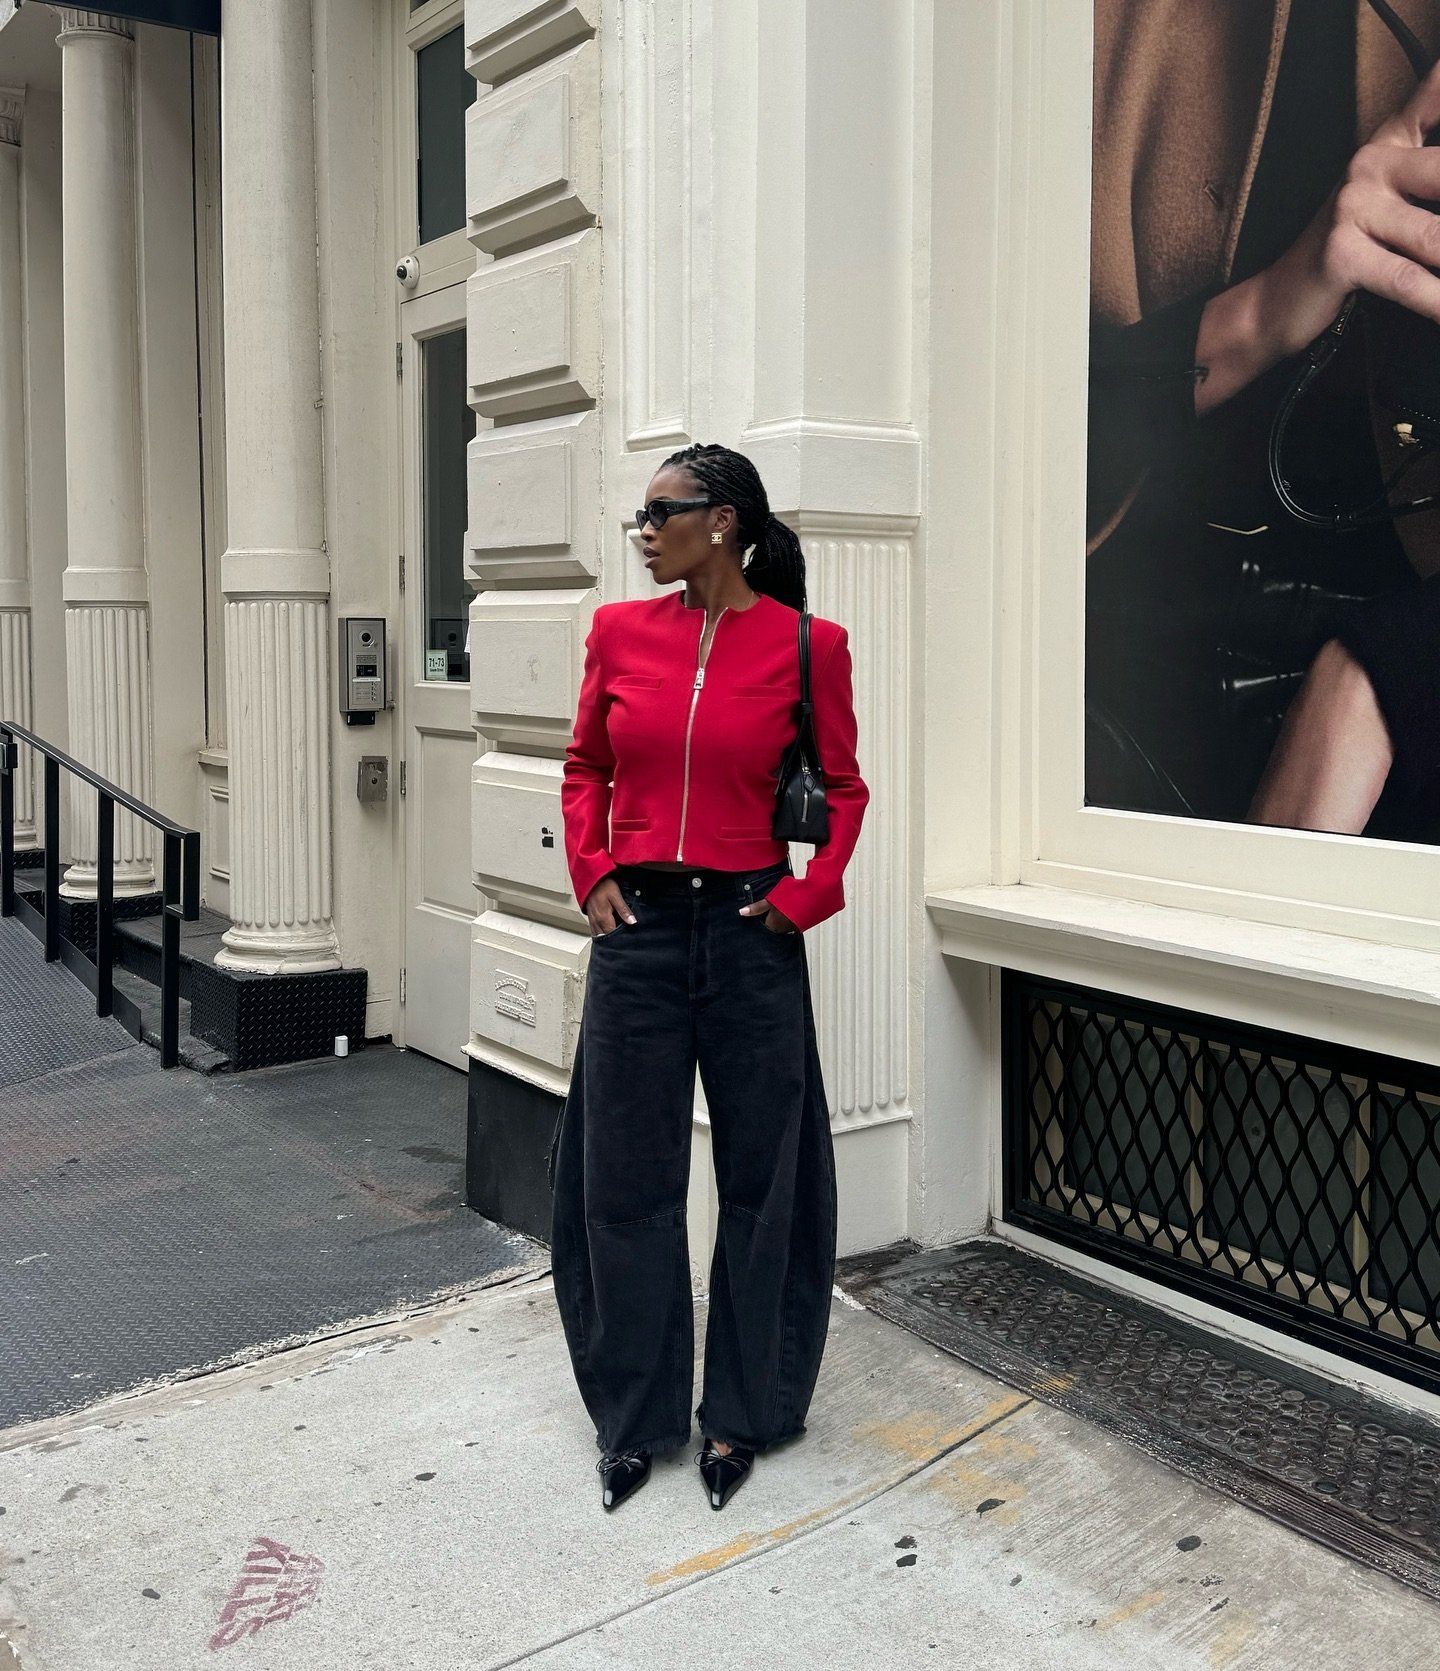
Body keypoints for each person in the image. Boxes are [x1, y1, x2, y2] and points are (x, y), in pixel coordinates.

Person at [550, 442, 870, 1513]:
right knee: (625, 1184)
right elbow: (586, 764)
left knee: (762, 1182)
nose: (643, 533)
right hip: (639, 930)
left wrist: (803, 897)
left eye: (660, 513)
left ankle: (744, 1412)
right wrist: (591, 870)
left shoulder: (808, 646)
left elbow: (846, 789)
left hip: (748, 932)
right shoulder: (617, 632)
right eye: (639, 518)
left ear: (722, 522)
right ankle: (633, 1420)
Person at [1087, 0, 1440, 842]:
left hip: (1401, 757)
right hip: (1082, 732)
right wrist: (1256, 318)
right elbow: (961, 452)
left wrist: (1384, 671)